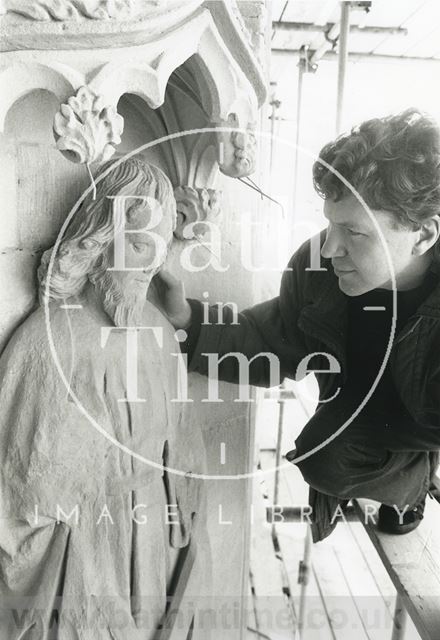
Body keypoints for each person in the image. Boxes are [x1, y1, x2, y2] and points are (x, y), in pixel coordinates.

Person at [155, 108, 440, 542]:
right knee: (325, 454)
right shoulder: (318, 268)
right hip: (359, 421)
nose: (329, 248)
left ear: (422, 235)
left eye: (354, 232)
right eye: (329, 224)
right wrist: (188, 322)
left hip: (427, 424)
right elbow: (269, 339)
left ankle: (415, 481)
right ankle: (408, 483)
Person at [0, 157, 208, 639]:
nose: (153, 262)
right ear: (98, 239)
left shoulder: (157, 332)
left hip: (154, 544)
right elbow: (19, 491)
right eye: (139, 243)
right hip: (85, 559)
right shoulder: (49, 341)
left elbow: (183, 458)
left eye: (161, 245)